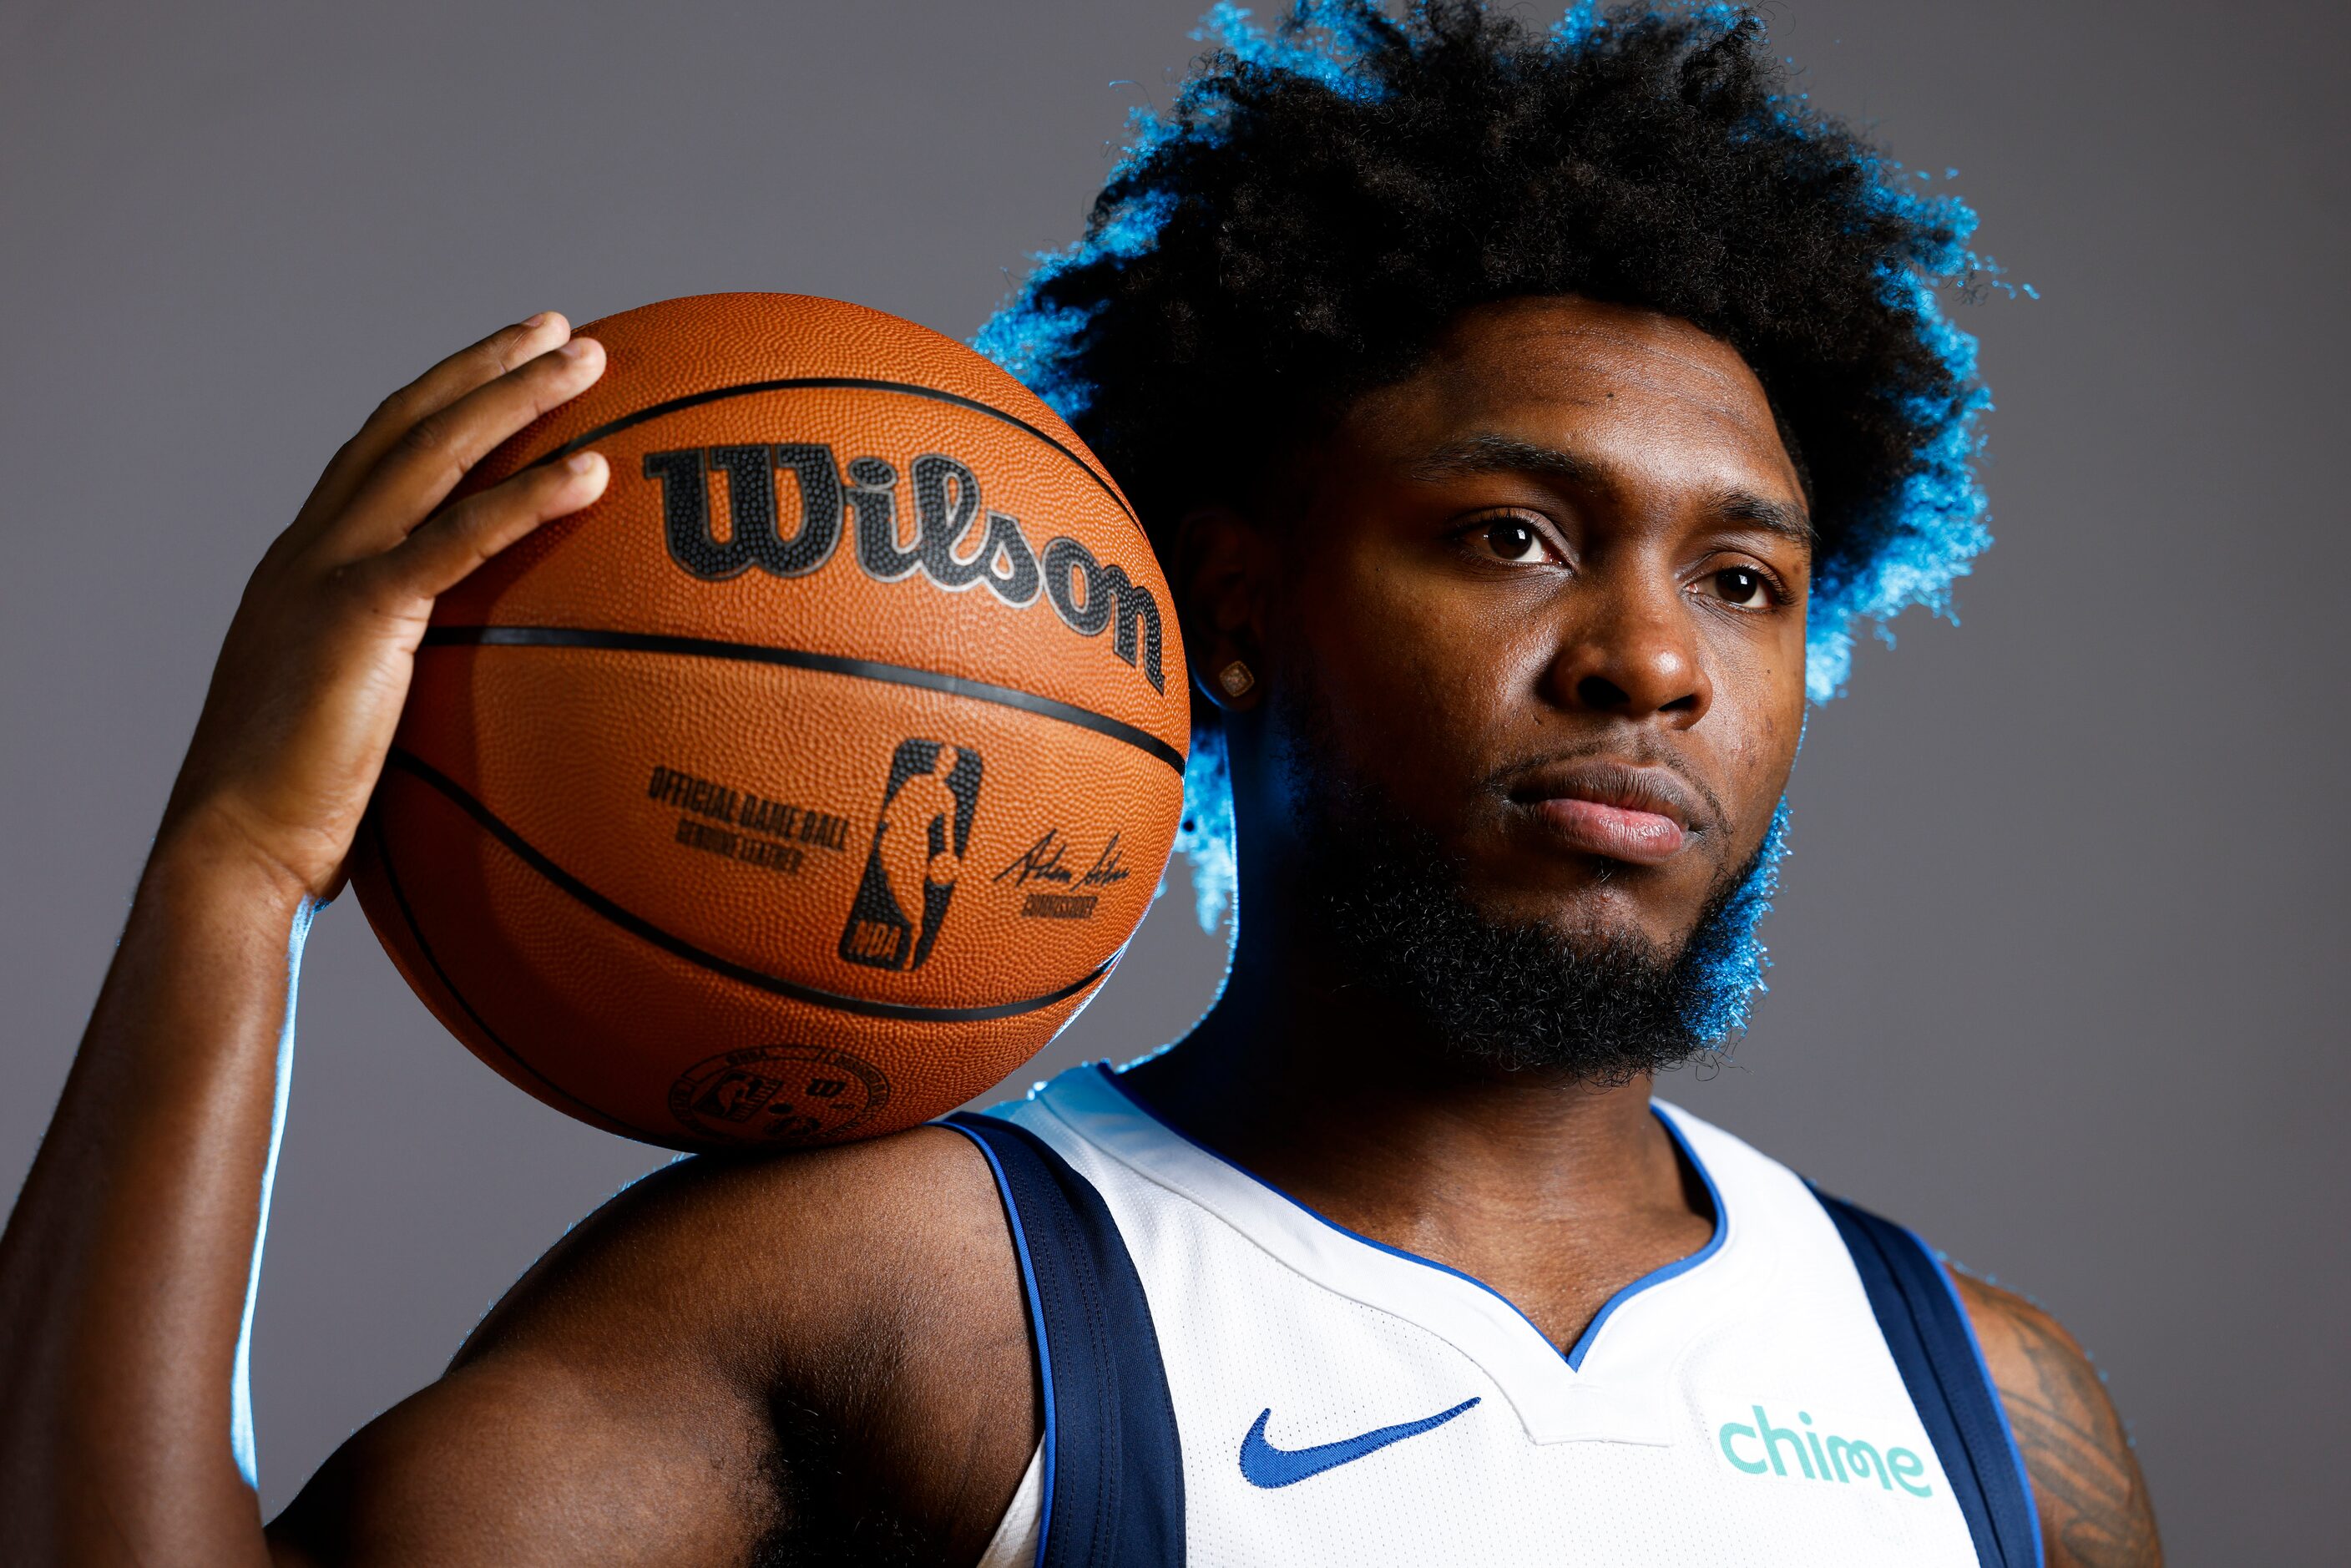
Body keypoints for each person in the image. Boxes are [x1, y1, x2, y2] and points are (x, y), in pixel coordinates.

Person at [0, 4, 2161, 1564]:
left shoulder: (1990, 1413)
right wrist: (236, 870)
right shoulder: (905, 1297)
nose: (1655, 660)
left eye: (1749, 579)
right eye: (1511, 534)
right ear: (1227, 605)